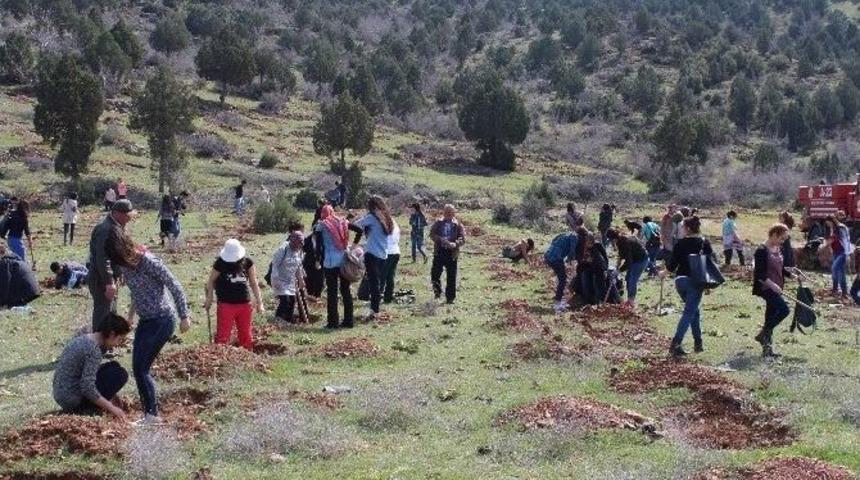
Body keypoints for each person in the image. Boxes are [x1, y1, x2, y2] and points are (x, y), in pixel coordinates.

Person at [110, 233, 190, 425]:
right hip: (145, 320)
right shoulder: (124, 266)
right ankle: (149, 414)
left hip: (162, 319)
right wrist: (129, 319)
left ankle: (151, 415)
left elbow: (175, 285)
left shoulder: (149, 261)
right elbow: (135, 293)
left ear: (125, 251)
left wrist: (184, 316)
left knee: (141, 368)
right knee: (138, 367)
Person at [52, 313, 130, 419]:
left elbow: (90, 372)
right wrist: (112, 408)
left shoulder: (83, 338)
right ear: (112, 334)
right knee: (120, 375)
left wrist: (111, 394)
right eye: (119, 339)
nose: (117, 344)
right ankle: (86, 409)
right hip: (72, 400)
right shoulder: (93, 350)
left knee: (114, 366)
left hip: (61, 392)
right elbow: (87, 388)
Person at [204, 239, 265, 350]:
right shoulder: (220, 263)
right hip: (226, 304)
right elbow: (211, 280)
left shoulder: (248, 262)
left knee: (245, 334)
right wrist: (209, 297)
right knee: (223, 335)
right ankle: (220, 358)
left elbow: (253, 282)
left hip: (245, 304)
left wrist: (260, 302)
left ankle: (247, 358)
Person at [666, 216, 713, 357]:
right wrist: (708, 284)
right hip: (695, 282)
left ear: (687, 228)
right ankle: (676, 344)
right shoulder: (704, 243)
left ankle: (698, 343)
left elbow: (672, 266)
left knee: (694, 311)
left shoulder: (680, 244)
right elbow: (708, 265)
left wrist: (663, 272)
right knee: (689, 312)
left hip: (680, 281)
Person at [88, 199, 134, 332]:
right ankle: (98, 347)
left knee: (110, 312)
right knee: (102, 313)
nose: (129, 218)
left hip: (110, 277)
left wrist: (120, 273)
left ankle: (108, 343)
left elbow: (116, 254)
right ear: (117, 213)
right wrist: (109, 282)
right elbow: (102, 258)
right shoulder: (106, 229)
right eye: (127, 215)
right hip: (101, 279)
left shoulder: (116, 227)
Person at [315, 205, 363, 328]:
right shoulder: (342, 221)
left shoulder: (321, 225)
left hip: (329, 262)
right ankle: (349, 321)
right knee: (345, 291)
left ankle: (333, 322)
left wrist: (318, 260)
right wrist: (353, 246)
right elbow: (359, 230)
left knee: (332, 292)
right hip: (343, 260)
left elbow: (320, 247)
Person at [752, 224, 794, 358]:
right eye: (781, 238)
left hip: (777, 286)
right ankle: (762, 334)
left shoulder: (778, 248)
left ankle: (767, 350)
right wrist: (773, 285)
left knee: (770, 316)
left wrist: (790, 275)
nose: (783, 242)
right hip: (766, 287)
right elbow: (760, 274)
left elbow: (779, 268)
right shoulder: (761, 250)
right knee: (784, 310)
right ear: (774, 234)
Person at [354, 195, 393, 318]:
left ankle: (374, 310)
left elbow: (355, 225)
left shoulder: (371, 217)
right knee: (377, 282)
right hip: (383, 254)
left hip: (372, 253)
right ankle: (375, 308)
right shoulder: (387, 218)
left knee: (373, 283)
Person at [430, 204, 466, 305]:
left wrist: (455, 243)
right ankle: (437, 293)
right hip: (440, 251)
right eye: (446, 212)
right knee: (435, 274)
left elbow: (463, 238)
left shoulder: (458, 224)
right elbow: (432, 234)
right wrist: (441, 240)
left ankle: (450, 298)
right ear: (443, 212)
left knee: (451, 276)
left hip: (452, 253)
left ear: (454, 213)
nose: (448, 214)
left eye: (450, 212)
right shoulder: (438, 222)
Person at [606, 228, 649, 309]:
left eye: (611, 240)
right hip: (635, 259)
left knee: (632, 279)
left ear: (614, 238)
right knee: (627, 278)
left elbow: (629, 261)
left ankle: (631, 301)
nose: (611, 243)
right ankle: (629, 300)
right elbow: (621, 255)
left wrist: (619, 270)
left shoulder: (625, 242)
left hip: (641, 260)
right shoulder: (619, 241)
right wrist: (617, 266)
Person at [271, 231, 306, 324]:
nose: (299, 246)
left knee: (292, 301)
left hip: (290, 280)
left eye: (300, 244)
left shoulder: (299, 251)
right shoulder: (283, 250)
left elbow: (298, 266)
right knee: (285, 300)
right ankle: (278, 320)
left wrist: (301, 279)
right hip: (279, 279)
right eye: (297, 244)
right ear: (292, 242)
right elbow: (274, 265)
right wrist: (275, 280)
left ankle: (287, 321)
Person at [544, 226, 579, 313]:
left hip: (548, 255)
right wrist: (570, 260)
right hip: (556, 257)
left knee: (561, 278)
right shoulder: (575, 237)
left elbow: (554, 240)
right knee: (563, 280)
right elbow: (572, 251)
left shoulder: (566, 234)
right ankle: (557, 303)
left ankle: (558, 299)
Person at [0, 239, 40, 308]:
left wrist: (2, 302)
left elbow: (5, 282)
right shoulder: (14, 257)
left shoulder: (5, 262)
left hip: (25, 294)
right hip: (32, 291)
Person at [574, 232, 609, 305]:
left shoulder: (597, 246)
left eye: (588, 241)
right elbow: (580, 260)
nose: (587, 243)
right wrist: (586, 261)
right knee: (585, 281)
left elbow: (604, 257)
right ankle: (587, 300)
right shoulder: (583, 247)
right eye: (586, 241)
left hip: (598, 268)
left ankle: (598, 301)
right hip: (586, 268)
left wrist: (605, 268)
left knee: (597, 284)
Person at [825, 215, 854, 299]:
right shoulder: (833, 228)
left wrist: (847, 254)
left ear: (832, 221)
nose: (828, 225)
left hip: (843, 252)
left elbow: (845, 240)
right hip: (836, 252)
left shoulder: (841, 227)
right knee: (836, 271)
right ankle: (835, 289)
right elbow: (832, 240)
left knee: (836, 269)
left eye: (828, 223)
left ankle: (844, 292)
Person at [381, 216, 401, 304]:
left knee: (382, 276)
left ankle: (377, 297)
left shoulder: (384, 225)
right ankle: (388, 298)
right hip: (396, 252)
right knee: (390, 276)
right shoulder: (395, 224)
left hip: (387, 253)